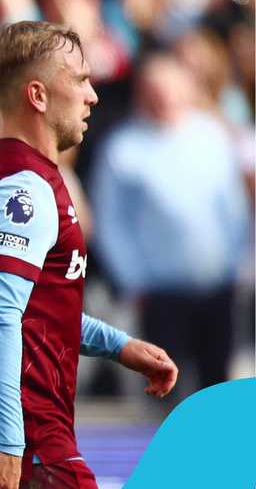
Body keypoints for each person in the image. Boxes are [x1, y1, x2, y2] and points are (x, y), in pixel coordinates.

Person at [0, 22, 179, 489]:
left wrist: (119, 347)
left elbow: (28, 311)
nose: (92, 96)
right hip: (24, 445)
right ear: (38, 96)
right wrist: (8, 445)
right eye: (79, 80)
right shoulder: (24, 191)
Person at [91, 54, 250, 400]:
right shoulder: (123, 148)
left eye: (170, 90)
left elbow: (234, 207)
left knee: (217, 387)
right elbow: (111, 222)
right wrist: (134, 281)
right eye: (155, 91)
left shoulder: (211, 137)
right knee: (167, 390)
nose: (164, 99)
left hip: (216, 288)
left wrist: (235, 262)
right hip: (160, 293)